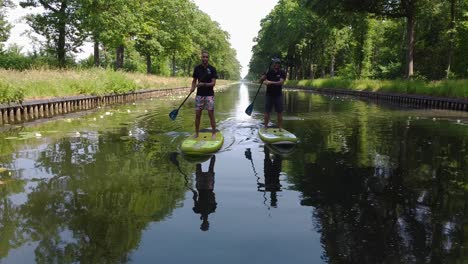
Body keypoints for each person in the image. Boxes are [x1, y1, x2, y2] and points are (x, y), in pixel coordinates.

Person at [191, 51, 218, 139]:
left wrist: (203, 84)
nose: (205, 59)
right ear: (201, 58)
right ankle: (197, 133)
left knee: (211, 114)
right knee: (198, 115)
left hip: (209, 95)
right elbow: (194, 80)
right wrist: (192, 87)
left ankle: (214, 133)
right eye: (203, 57)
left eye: (206, 57)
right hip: (199, 95)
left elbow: (213, 83)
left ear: (208, 58)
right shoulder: (197, 68)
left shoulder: (212, 69)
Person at [259, 58, 287, 131]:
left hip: (278, 95)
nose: (276, 64)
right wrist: (262, 79)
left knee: (279, 112)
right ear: (273, 64)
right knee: (267, 112)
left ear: (279, 64)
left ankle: (280, 127)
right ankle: (265, 127)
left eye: (278, 63)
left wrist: (270, 82)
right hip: (269, 95)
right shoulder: (268, 72)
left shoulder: (282, 72)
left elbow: (281, 82)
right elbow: (261, 81)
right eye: (275, 63)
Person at [192, 155, 217, 231]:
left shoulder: (211, 209)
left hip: (206, 188)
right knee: (203, 168)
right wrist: (194, 193)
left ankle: (211, 154)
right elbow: (195, 197)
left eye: (204, 224)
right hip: (203, 188)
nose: (205, 223)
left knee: (210, 168)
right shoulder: (198, 210)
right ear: (208, 223)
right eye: (206, 224)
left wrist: (195, 194)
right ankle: (207, 154)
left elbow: (213, 197)